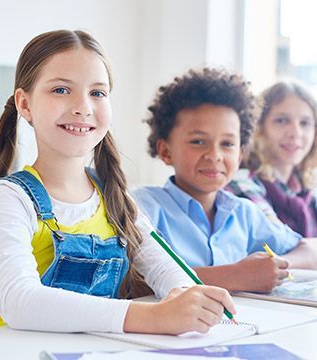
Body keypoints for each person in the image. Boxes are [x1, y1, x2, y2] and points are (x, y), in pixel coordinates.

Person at [0, 30, 235, 335]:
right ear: (25, 105)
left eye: (97, 93)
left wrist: (189, 298)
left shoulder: (115, 196)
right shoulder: (11, 196)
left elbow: (166, 268)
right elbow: (20, 302)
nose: (83, 107)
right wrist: (153, 317)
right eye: (61, 90)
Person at [133, 68, 317, 294]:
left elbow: (310, 250)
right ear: (166, 151)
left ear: (240, 154)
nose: (215, 155)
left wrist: (272, 267)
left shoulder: (245, 214)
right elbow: (130, 281)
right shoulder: (143, 208)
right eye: (198, 141)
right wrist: (234, 276)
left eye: (227, 144)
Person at [227, 82, 317, 237]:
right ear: (259, 127)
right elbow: (279, 242)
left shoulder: (306, 191)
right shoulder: (242, 183)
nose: (295, 133)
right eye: (281, 120)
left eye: (305, 123)